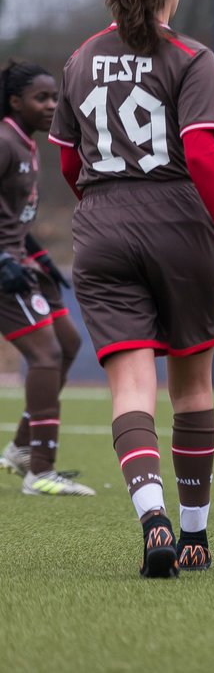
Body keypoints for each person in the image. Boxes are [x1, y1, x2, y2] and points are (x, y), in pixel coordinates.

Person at [51, 0, 214, 578]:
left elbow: (64, 158)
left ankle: (152, 519)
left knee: (130, 390)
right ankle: (194, 536)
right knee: (191, 389)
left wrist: (103, 206)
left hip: (102, 227)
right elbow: (200, 154)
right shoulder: (191, 58)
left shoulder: (80, 59)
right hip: (179, 228)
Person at [0, 59, 90, 495]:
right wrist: (5, 259)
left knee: (68, 344)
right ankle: (40, 471)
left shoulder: (25, 144)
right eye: (42, 98)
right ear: (15, 101)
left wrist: (37, 254)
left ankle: (20, 448)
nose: (52, 105)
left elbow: (13, 217)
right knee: (47, 355)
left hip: (20, 261)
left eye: (55, 97)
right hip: (4, 270)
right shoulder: (3, 141)